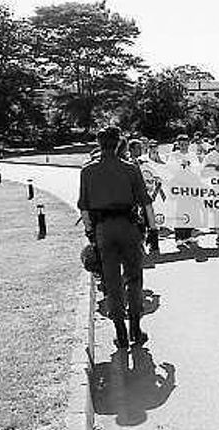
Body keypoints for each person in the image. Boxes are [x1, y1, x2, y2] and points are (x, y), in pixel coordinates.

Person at [78, 126, 157, 349]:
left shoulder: (88, 170)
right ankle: (136, 328)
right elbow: (146, 202)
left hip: (103, 229)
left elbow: (84, 207)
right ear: (119, 142)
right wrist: (153, 230)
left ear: (98, 143)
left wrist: (91, 233)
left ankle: (120, 332)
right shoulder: (131, 169)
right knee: (134, 279)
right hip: (129, 227)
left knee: (112, 281)